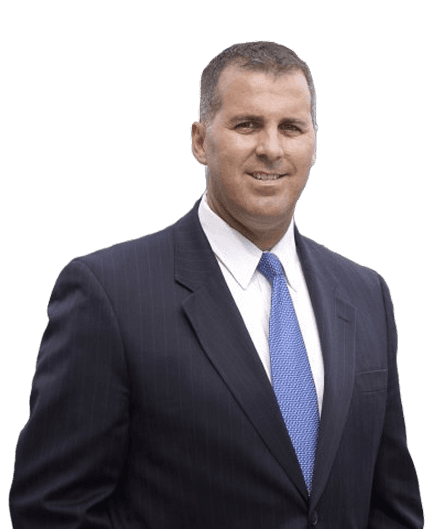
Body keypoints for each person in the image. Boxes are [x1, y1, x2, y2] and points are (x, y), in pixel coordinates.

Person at [10, 41, 423, 528]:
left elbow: (391, 504)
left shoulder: (365, 293)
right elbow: (53, 509)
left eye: (291, 127)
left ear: (314, 143)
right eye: (247, 125)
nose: (271, 148)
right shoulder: (109, 294)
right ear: (200, 141)